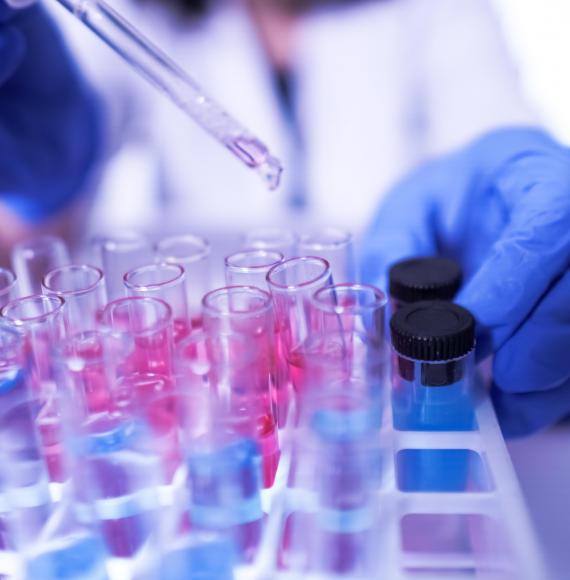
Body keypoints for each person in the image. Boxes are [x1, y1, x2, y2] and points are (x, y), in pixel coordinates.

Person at [0, 0, 568, 435]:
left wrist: (522, 212)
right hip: (218, 390)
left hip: (390, 377)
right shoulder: (130, 12)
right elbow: (36, 244)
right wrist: (43, 179)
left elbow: (495, 142)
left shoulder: (439, 10)